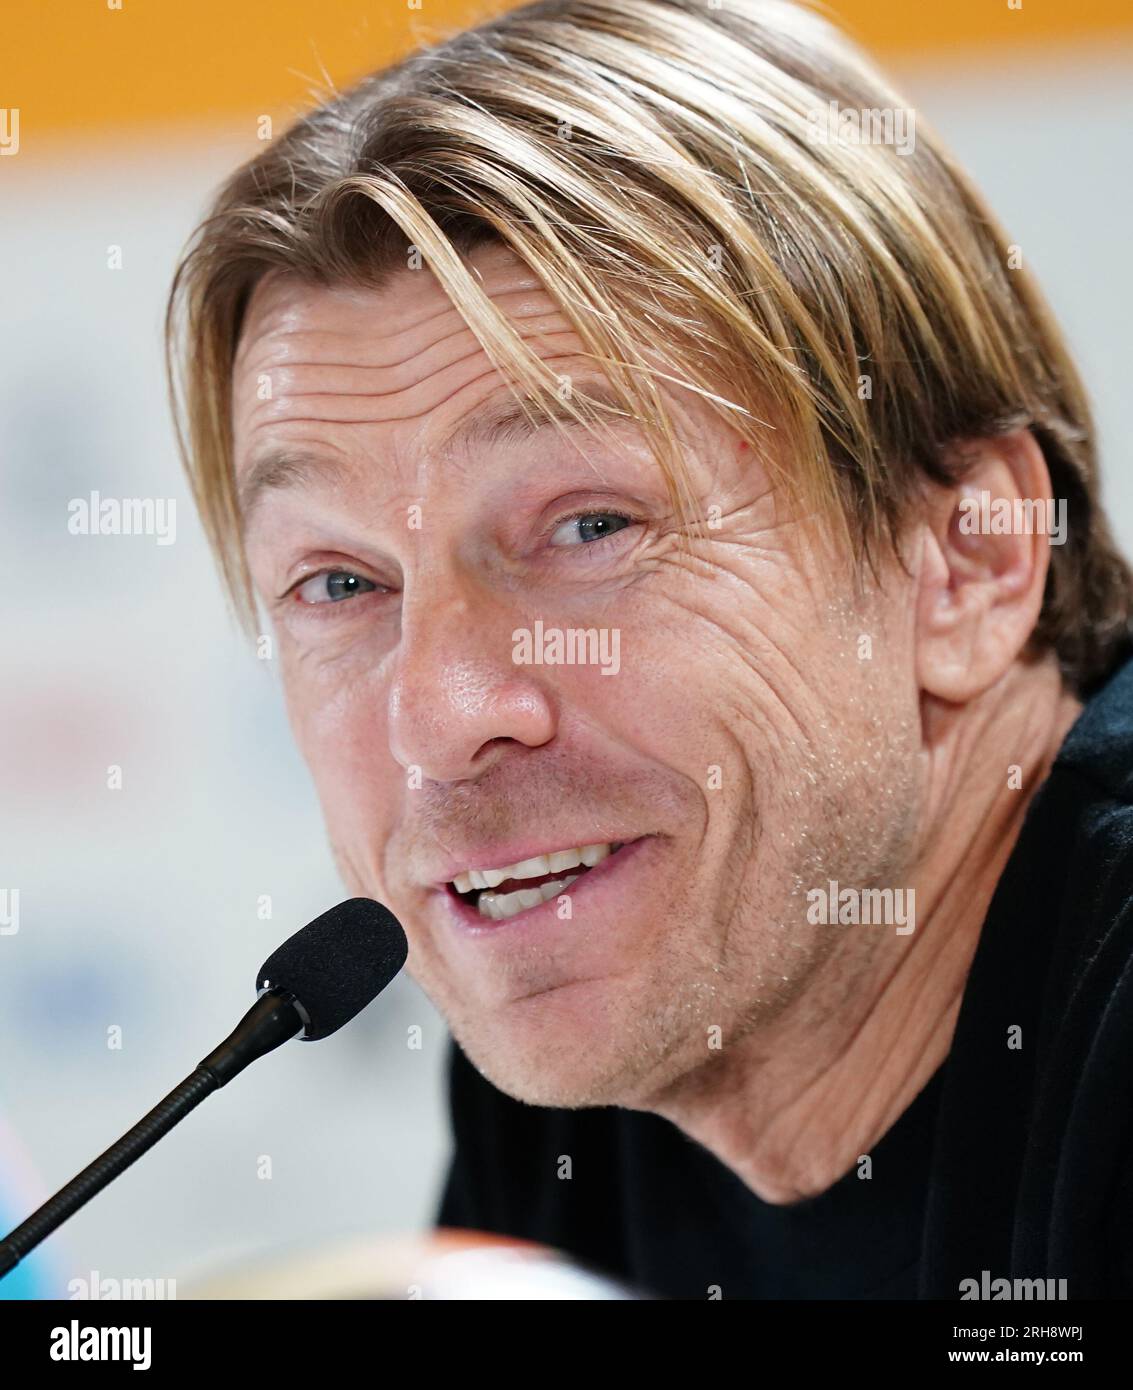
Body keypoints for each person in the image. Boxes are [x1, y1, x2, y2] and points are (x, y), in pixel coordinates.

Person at [165, 0, 1133, 1297]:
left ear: (965, 559)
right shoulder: (599, 1011)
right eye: (338, 579)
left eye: (587, 524)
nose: (443, 719)